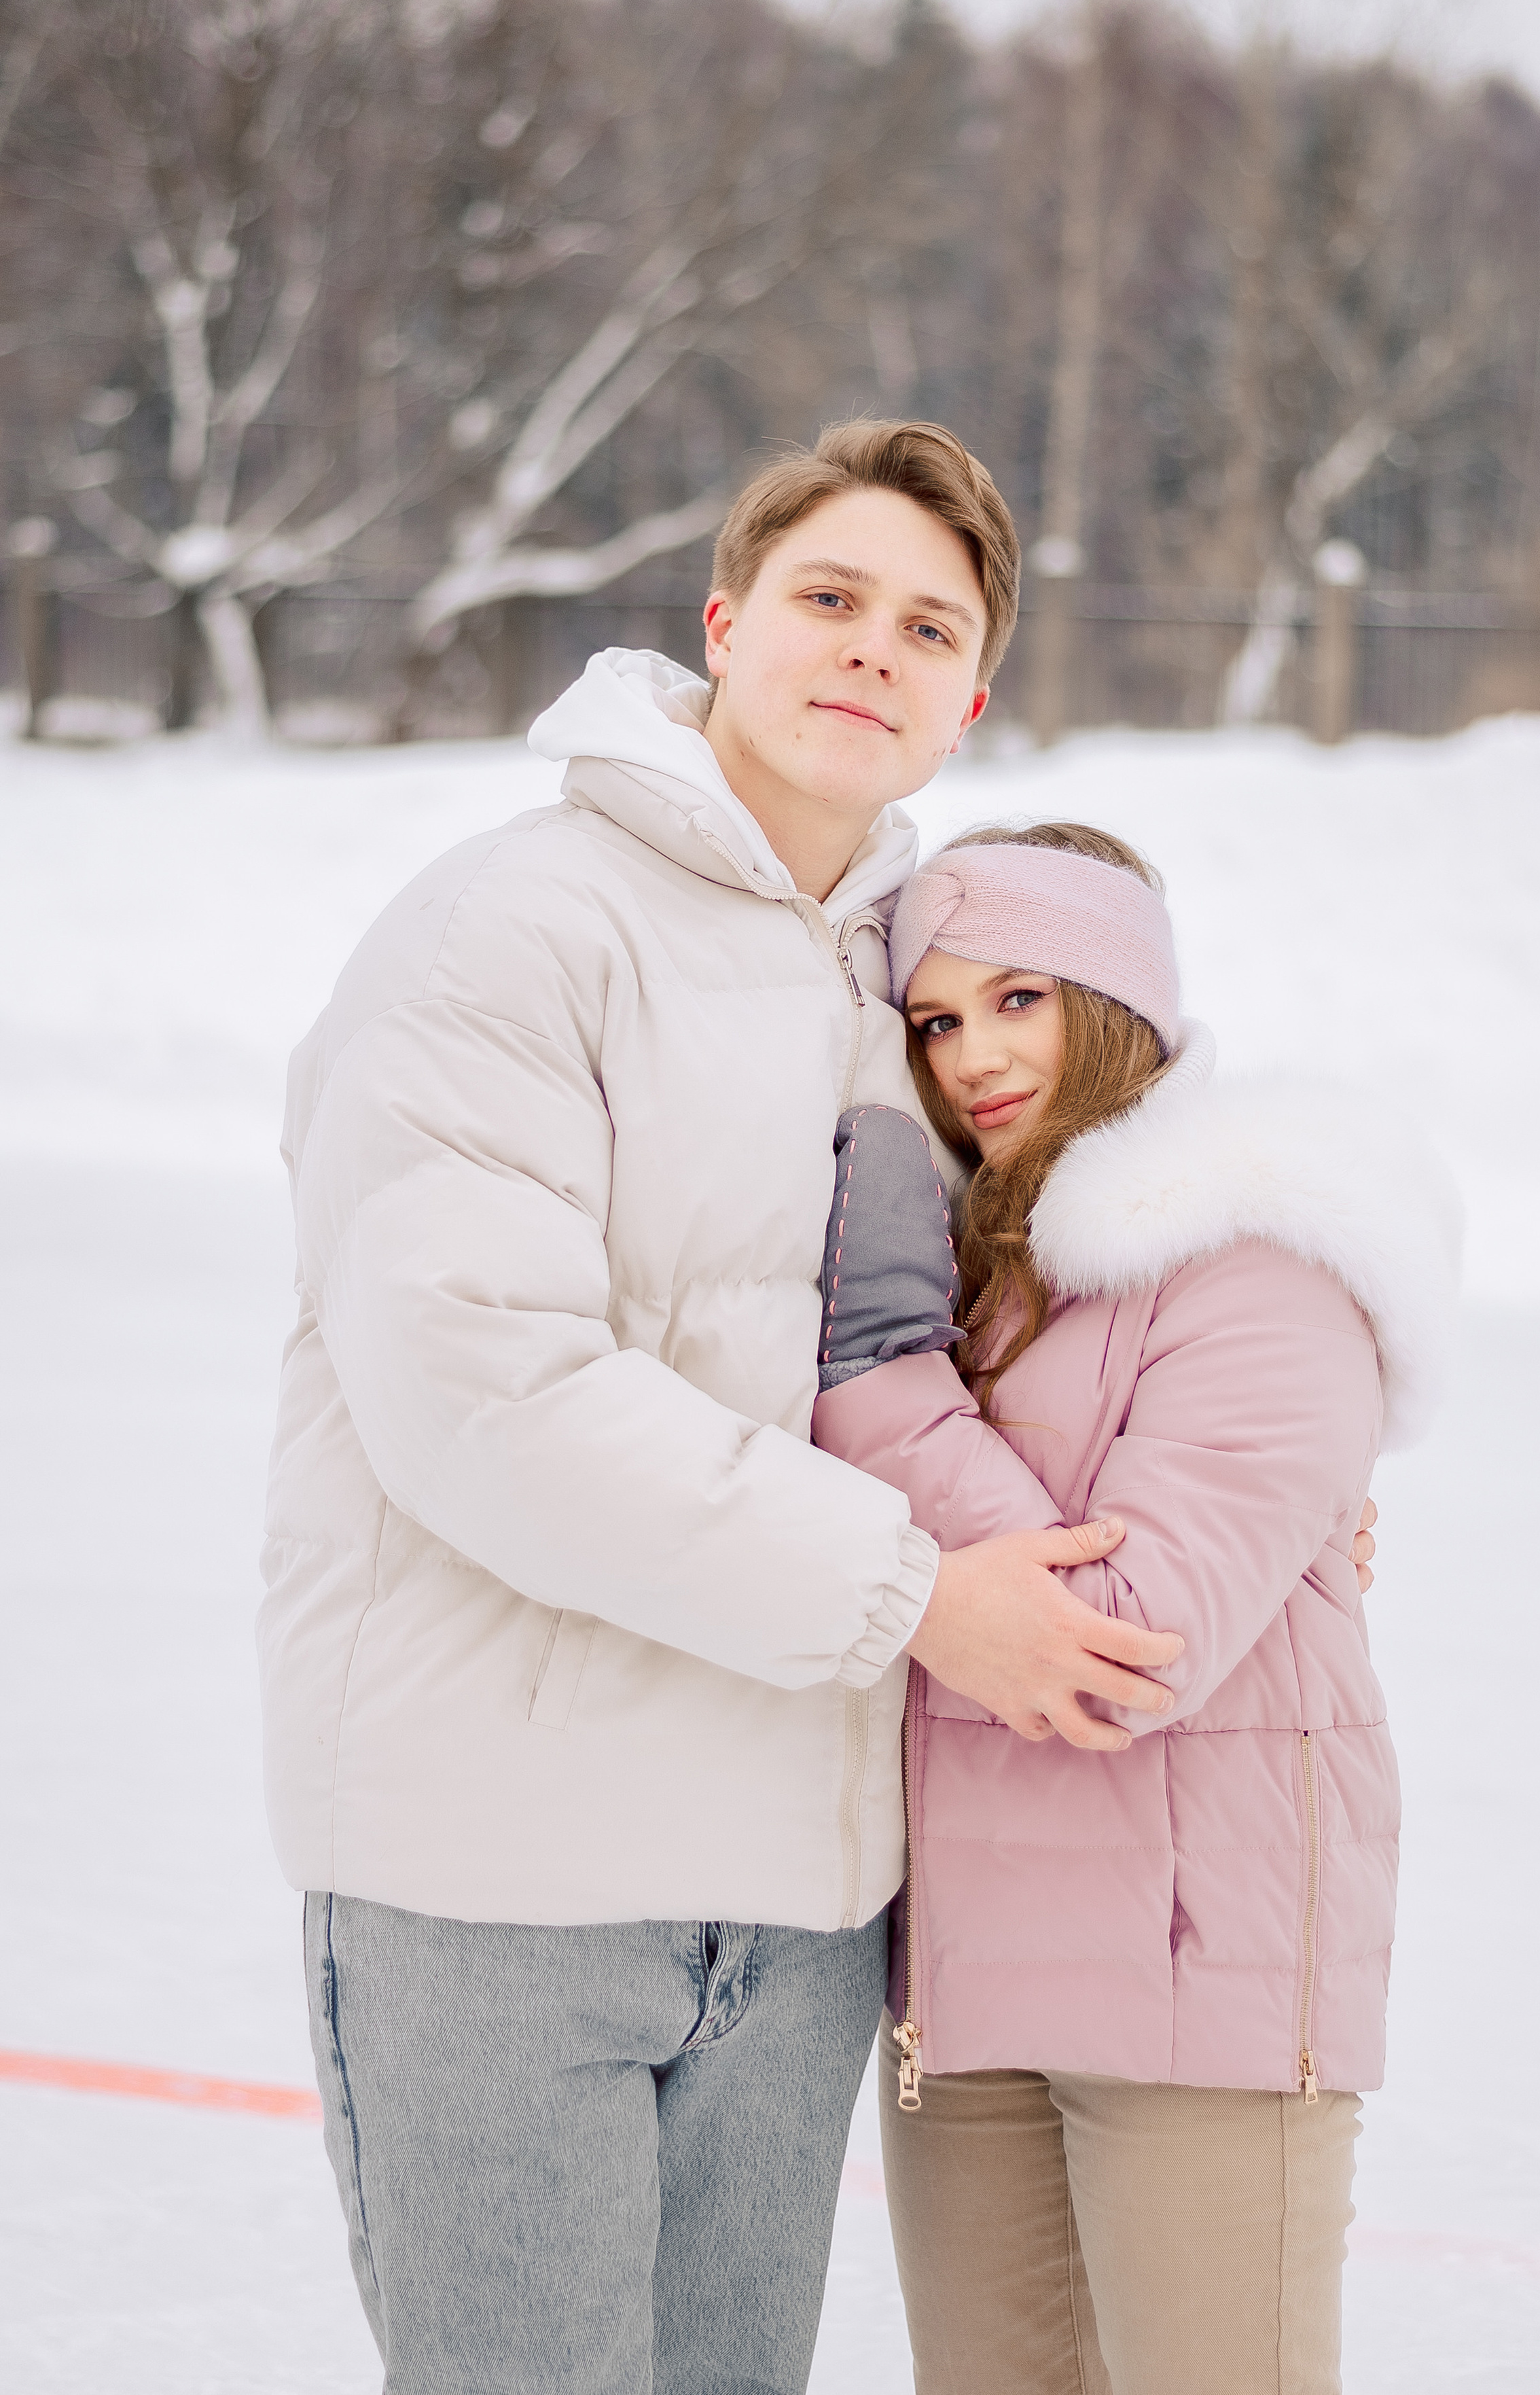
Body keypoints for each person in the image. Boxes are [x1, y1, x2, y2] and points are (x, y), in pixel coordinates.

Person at [257, 422, 1187, 2394]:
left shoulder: (926, 1000)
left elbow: (1042, 1309)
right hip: (498, 1877)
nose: (871, 649)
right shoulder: (509, 930)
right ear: (723, 625)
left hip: (799, 1901)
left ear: (967, 706)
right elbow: (483, 1395)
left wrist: (1252, 1482)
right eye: (829, 599)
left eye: (927, 626)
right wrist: (924, 1599)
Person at [811, 821, 1460, 2395]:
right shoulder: (979, 1267)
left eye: (1018, 997)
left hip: (1196, 1993)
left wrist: (879, 1383)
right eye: (936, 1022)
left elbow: (1119, 1647)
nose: (971, 1057)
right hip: (965, 1990)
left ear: (1117, 1002)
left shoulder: (1257, 1260)